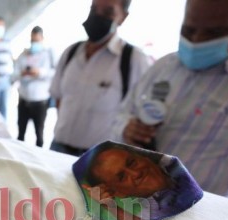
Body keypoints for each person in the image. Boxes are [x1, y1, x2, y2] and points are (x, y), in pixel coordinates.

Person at [113, 0, 228, 211]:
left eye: (214, 32)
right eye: (188, 29)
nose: (197, 41)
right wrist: (126, 129)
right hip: (122, 202)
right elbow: (121, 116)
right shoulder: (164, 66)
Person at [49, 0, 151, 157]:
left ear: (123, 17)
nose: (97, 16)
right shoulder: (71, 52)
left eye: (108, 12)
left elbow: (139, 115)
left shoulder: (133, 60)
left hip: (98, 159)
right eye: (94, 9)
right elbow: (59, 98)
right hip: (57, 149)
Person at [75, 142, 203, 220]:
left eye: (132, 163)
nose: (136, 173)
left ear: (142, 155)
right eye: (122, 177)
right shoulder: (152, 209)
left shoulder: (169, 163)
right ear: (118, 192)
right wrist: (110, 206)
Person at [13, 26, 55, 147]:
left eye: (36, 40)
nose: (34, 43)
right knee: (20, 135)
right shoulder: (23, 55)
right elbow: (13, 75)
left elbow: (54, 73)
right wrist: (22, 73)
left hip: (40, 102)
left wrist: (39, 72)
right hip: (24, 100)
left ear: (42, 39)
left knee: (39, 136)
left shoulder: (48, 55)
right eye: (32, 40)